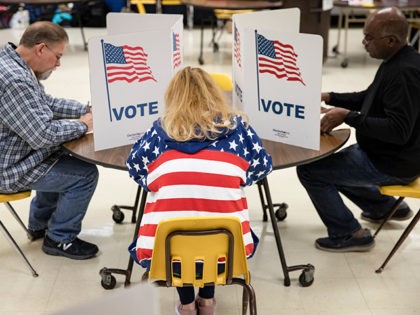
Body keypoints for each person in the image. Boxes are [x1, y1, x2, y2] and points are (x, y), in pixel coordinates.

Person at [126, 67, 272, 315]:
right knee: (212, 222)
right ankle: (207, 301)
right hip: (228, 247)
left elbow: (136, 169)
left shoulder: (158, 133)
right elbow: (262, 167)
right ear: (214, 94)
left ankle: (186, 304)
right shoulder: (240, 130)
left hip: (166, 250)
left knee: (181, 225)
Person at [296, 7, 420, 252]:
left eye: (368, 38)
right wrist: (331, 97)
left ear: (391, 40)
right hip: (391, 155)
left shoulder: (404, 73)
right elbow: (369, 97)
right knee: (333, 163)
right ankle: (382, 206)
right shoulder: (398, 59)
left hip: (394, 163)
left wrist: (348, 117)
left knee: (311, 170)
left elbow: (398, 130)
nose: (363, 43)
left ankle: (349, 233)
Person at [0, 21, 99, 260]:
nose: (58, 64)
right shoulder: (15, 81)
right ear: (41, 49)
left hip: (17, 155)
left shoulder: (13, 63)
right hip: (9, 168)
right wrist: (83, 125)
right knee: (85, 175)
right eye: (57, 56)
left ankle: (39, 225)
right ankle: (59, 238)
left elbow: (47, 104)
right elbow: (41, 135)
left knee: (60, 158)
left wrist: (86, 109)